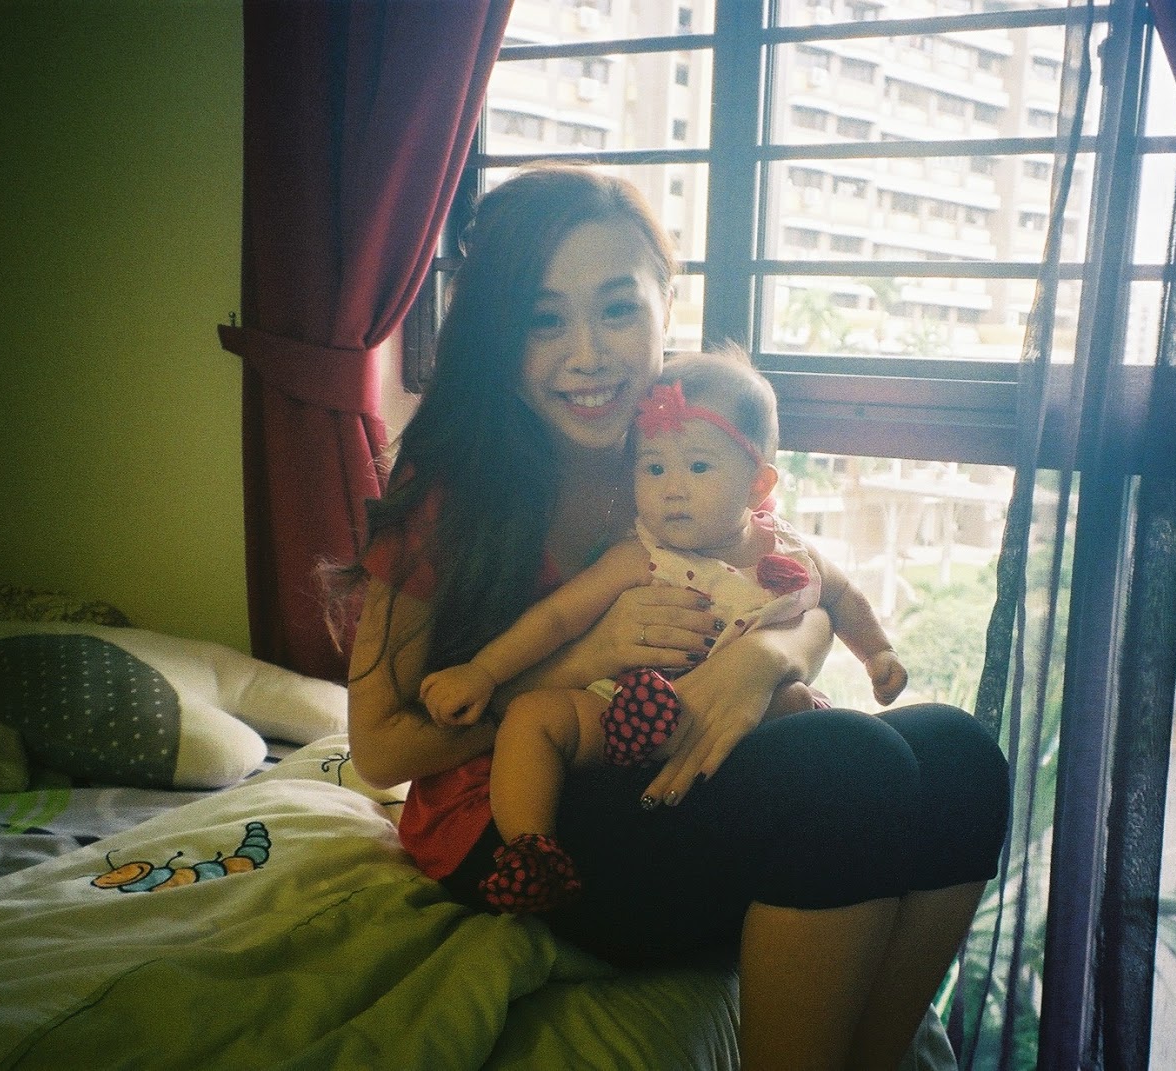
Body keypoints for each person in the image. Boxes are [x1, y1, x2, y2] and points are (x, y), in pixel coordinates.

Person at [343, 164, 1008, 1071]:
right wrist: (586, 656)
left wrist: (769, 657)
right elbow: (380, 748)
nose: (587, 354)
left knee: (962, 757)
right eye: (544, 320)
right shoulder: (450, 489)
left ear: (667, 302)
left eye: (617, 309)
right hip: (513, 816)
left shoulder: (681, 447)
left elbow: (793, 575)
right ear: (500, 334)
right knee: (850, 765)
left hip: (659, 761)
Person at [418, 347, 911, 914]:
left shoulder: (794, 552)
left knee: (799, 707)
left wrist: (878, 655)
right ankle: (532, 853)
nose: (672, 487)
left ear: (757, 483)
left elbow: (844, 599)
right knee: (532, 719)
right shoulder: (640, 555)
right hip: (625, 714)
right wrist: (483, 673)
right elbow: (558, 618)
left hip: (731, 737)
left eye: (698, 467)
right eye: (653, 468)